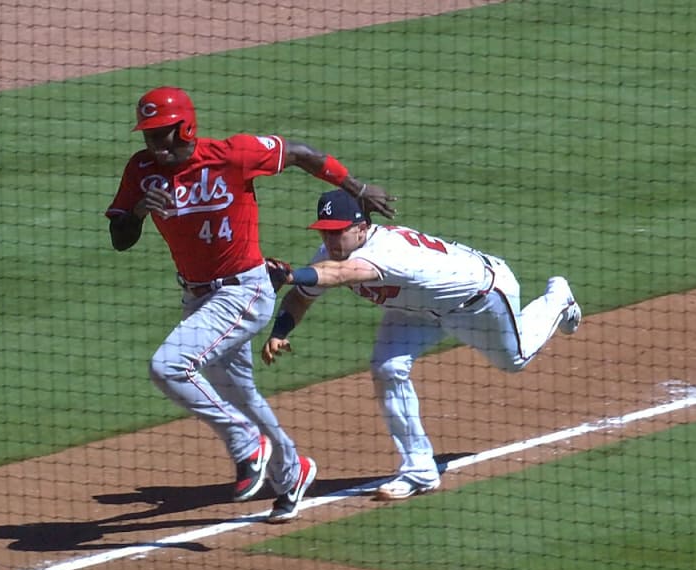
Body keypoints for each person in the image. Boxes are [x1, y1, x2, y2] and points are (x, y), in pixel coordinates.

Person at [105, 86, 396, 523]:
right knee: (238, 392)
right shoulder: (140, 170)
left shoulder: (232, 153)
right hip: (197, 297)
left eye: (163, 133)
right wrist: (139, 213)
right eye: (148, 134)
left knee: (168, 366)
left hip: (244, 290)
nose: (155, 144)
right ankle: (292, 469)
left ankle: (245, 442)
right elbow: (120, 240)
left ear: (186, 127)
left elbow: (299, 153)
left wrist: (357, 187)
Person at [261, 190, 582, 501]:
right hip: (416, 311)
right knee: (388, 369)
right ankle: (420, 470)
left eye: (338, 232)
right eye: (324, 233)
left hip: (479, 297)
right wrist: (280, 331)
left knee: (515, 359)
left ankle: (558, 299)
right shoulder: (332, 255)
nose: (330, 241)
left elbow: (345, 274)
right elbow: (302, 296)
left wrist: (289, 274)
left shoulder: (385, 251)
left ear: (361, 228)